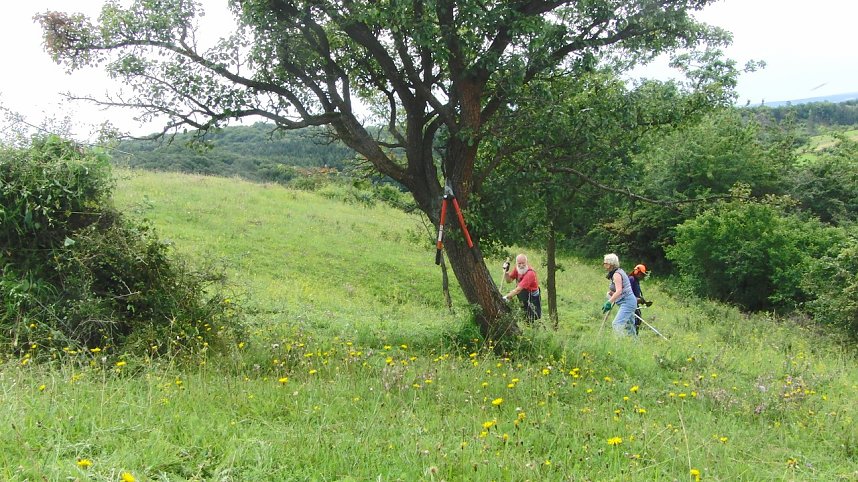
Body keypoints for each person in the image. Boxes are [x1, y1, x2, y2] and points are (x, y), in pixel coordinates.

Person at [601, 253, 637, 337]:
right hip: (627, 301)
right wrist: (611, 293)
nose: (604, 265)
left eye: (606, 263)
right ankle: (635, 346)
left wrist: (609, 302)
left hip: (627, 302)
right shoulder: (616, 272)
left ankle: (619, 345)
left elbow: (619, 291)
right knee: (630, 327)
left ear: (611, 264)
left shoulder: (617, 274)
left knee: (617, 324)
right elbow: (619, 290)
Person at [501, 253, 542, 322]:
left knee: (533, 317)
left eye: (523, 263)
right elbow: (509, 280)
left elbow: (518, 289)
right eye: (519, 263)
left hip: (532, 296)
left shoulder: (530, 273)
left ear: (527, 262)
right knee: (524, 313)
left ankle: (533, 329)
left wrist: (506, 297)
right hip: (523, 293)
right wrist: (506, 272)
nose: (521, 265)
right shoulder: (517, 269)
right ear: (517, 263)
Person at [628, 264, 650, 334]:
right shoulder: (631, 279)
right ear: (636, 271)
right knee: (634, 320)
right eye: (640, 274)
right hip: (631, 304)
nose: (641, 276)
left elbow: (637, 293)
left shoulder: (636, 281)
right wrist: (637, 299)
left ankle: (635, 335)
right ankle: (632, 336)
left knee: (638, 320)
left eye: (642, 275)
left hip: (635, 304)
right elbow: (629, 293)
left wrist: (643, 301)